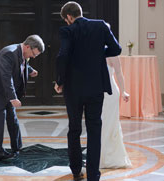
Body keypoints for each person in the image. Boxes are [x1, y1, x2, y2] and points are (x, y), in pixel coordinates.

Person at [54, 1, 121, 180]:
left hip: (73, 89)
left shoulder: (67, 30)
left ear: (69, 17)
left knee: (74, 129)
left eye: (66, 20)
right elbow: (116, 48)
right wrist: (98, 53)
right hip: (95, 87)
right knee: (94, 130)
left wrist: (60, 81)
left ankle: (76, 170)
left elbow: (62, 56)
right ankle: (93, 175)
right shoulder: (100, 26)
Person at [0, 35, 44, 161]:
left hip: (4, 90)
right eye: (33, 54)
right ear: (28, 46)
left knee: (13, 119)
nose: (33, 57)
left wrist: (30, 70)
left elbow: (20, 64)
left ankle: (17, 146)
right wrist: (13, 98)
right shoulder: (9, 53)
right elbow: (6, 77)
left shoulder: (21, 52)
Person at [98, 23, 132, 169]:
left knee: (109, 124)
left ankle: (110, 157)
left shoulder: (112, 52)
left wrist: (124, 91)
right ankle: (99, 155)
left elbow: (119, 73)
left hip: (110, 92)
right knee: (98, 124)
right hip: (97, 92)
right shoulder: (94, 50)